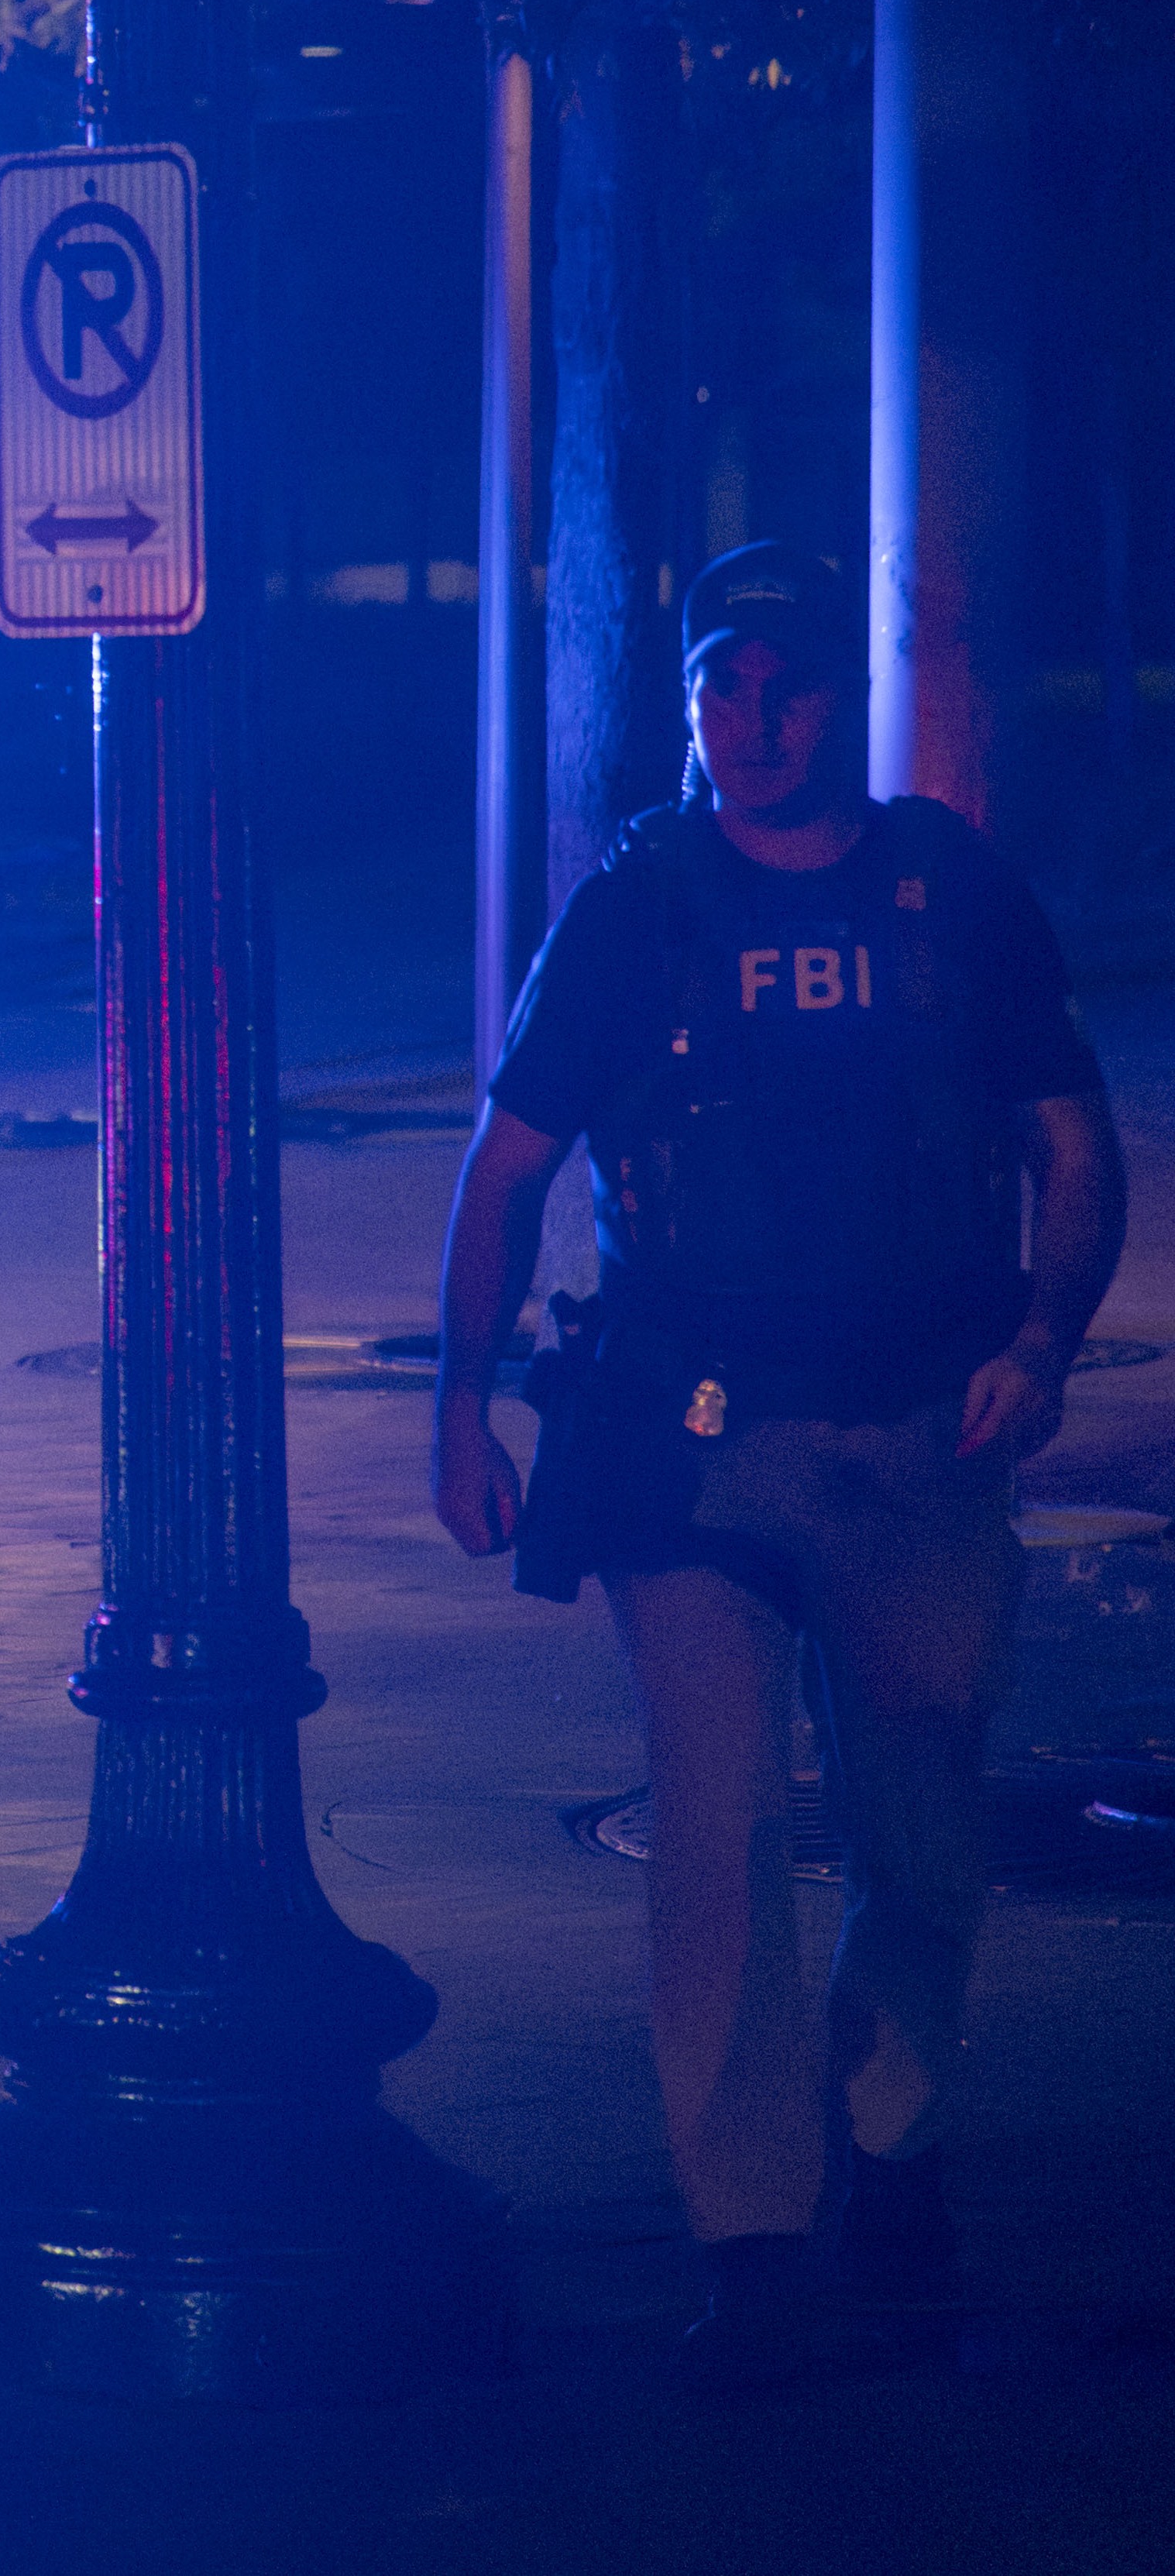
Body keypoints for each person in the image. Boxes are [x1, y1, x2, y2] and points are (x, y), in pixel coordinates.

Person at [429, 544, 1125, 2388]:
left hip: (919, 1431)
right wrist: (459, 1405)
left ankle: (887, 2130)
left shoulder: (946, 893)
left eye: (782, 688)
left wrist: (1038, 1342)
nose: (745, 725)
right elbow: (504, 1169)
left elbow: (1070, 1140)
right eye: (716, 688)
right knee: (717, 1832)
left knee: (919, 1827)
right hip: (696, 1439)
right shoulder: (637, 904)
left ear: (840, 697)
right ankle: (746, 2230)